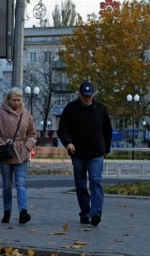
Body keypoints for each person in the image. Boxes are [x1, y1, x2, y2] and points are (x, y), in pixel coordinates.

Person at [57, 80, 113, 226]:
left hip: (96, 153)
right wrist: (68, 142)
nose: (87, 99)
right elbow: (63, 129)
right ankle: (85, 212)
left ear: (93, 95)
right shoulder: (71, 109)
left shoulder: (101, 109)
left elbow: (107, 130)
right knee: (81, 184)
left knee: (95, 181)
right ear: (79, 95)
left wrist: (106, 149)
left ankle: (96, 212)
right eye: (84, 96)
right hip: (78, 153)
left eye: (89, 96)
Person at [0, 87, 37, 224]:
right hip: (6, 153)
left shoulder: (26, 114)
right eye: (14, 100)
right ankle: (7, 211)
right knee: (7, 185)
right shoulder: (0, 114)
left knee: (21, 183)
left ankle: (23, 212)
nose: (17, 102)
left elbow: (33, 134)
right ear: (8, 100)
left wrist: (27, 146)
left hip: (22, 153)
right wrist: (2, 143)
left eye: (19, 100)